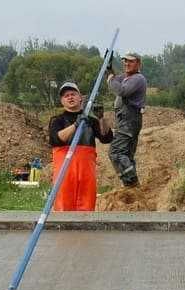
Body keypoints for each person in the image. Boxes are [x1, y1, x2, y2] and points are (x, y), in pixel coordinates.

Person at [47, 82, 113, 211]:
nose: (70, 97)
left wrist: (101, 118)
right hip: (65, 173)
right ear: (62, 101)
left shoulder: (91, 121)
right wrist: (75, 126)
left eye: (73, 94)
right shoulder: (57, 120)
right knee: (63, 207)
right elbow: (56, 139)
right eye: (66, 96)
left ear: (80, 98)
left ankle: (84, 231)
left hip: (86, 173)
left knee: (87, 207)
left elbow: (107, 138)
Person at [107, 52, 147, 187]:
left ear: (138, 64)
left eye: (131, 61)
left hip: (129, 120)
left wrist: (111, 79)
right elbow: (116, 81)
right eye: (125, 61)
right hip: (127, 120)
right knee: (127, 156)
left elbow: (121, 91)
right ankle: (132, 188)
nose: (127, 64)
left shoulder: (138, 78)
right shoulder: (126, 77)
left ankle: (132, 183)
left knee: (116, 152)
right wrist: (110, 70)